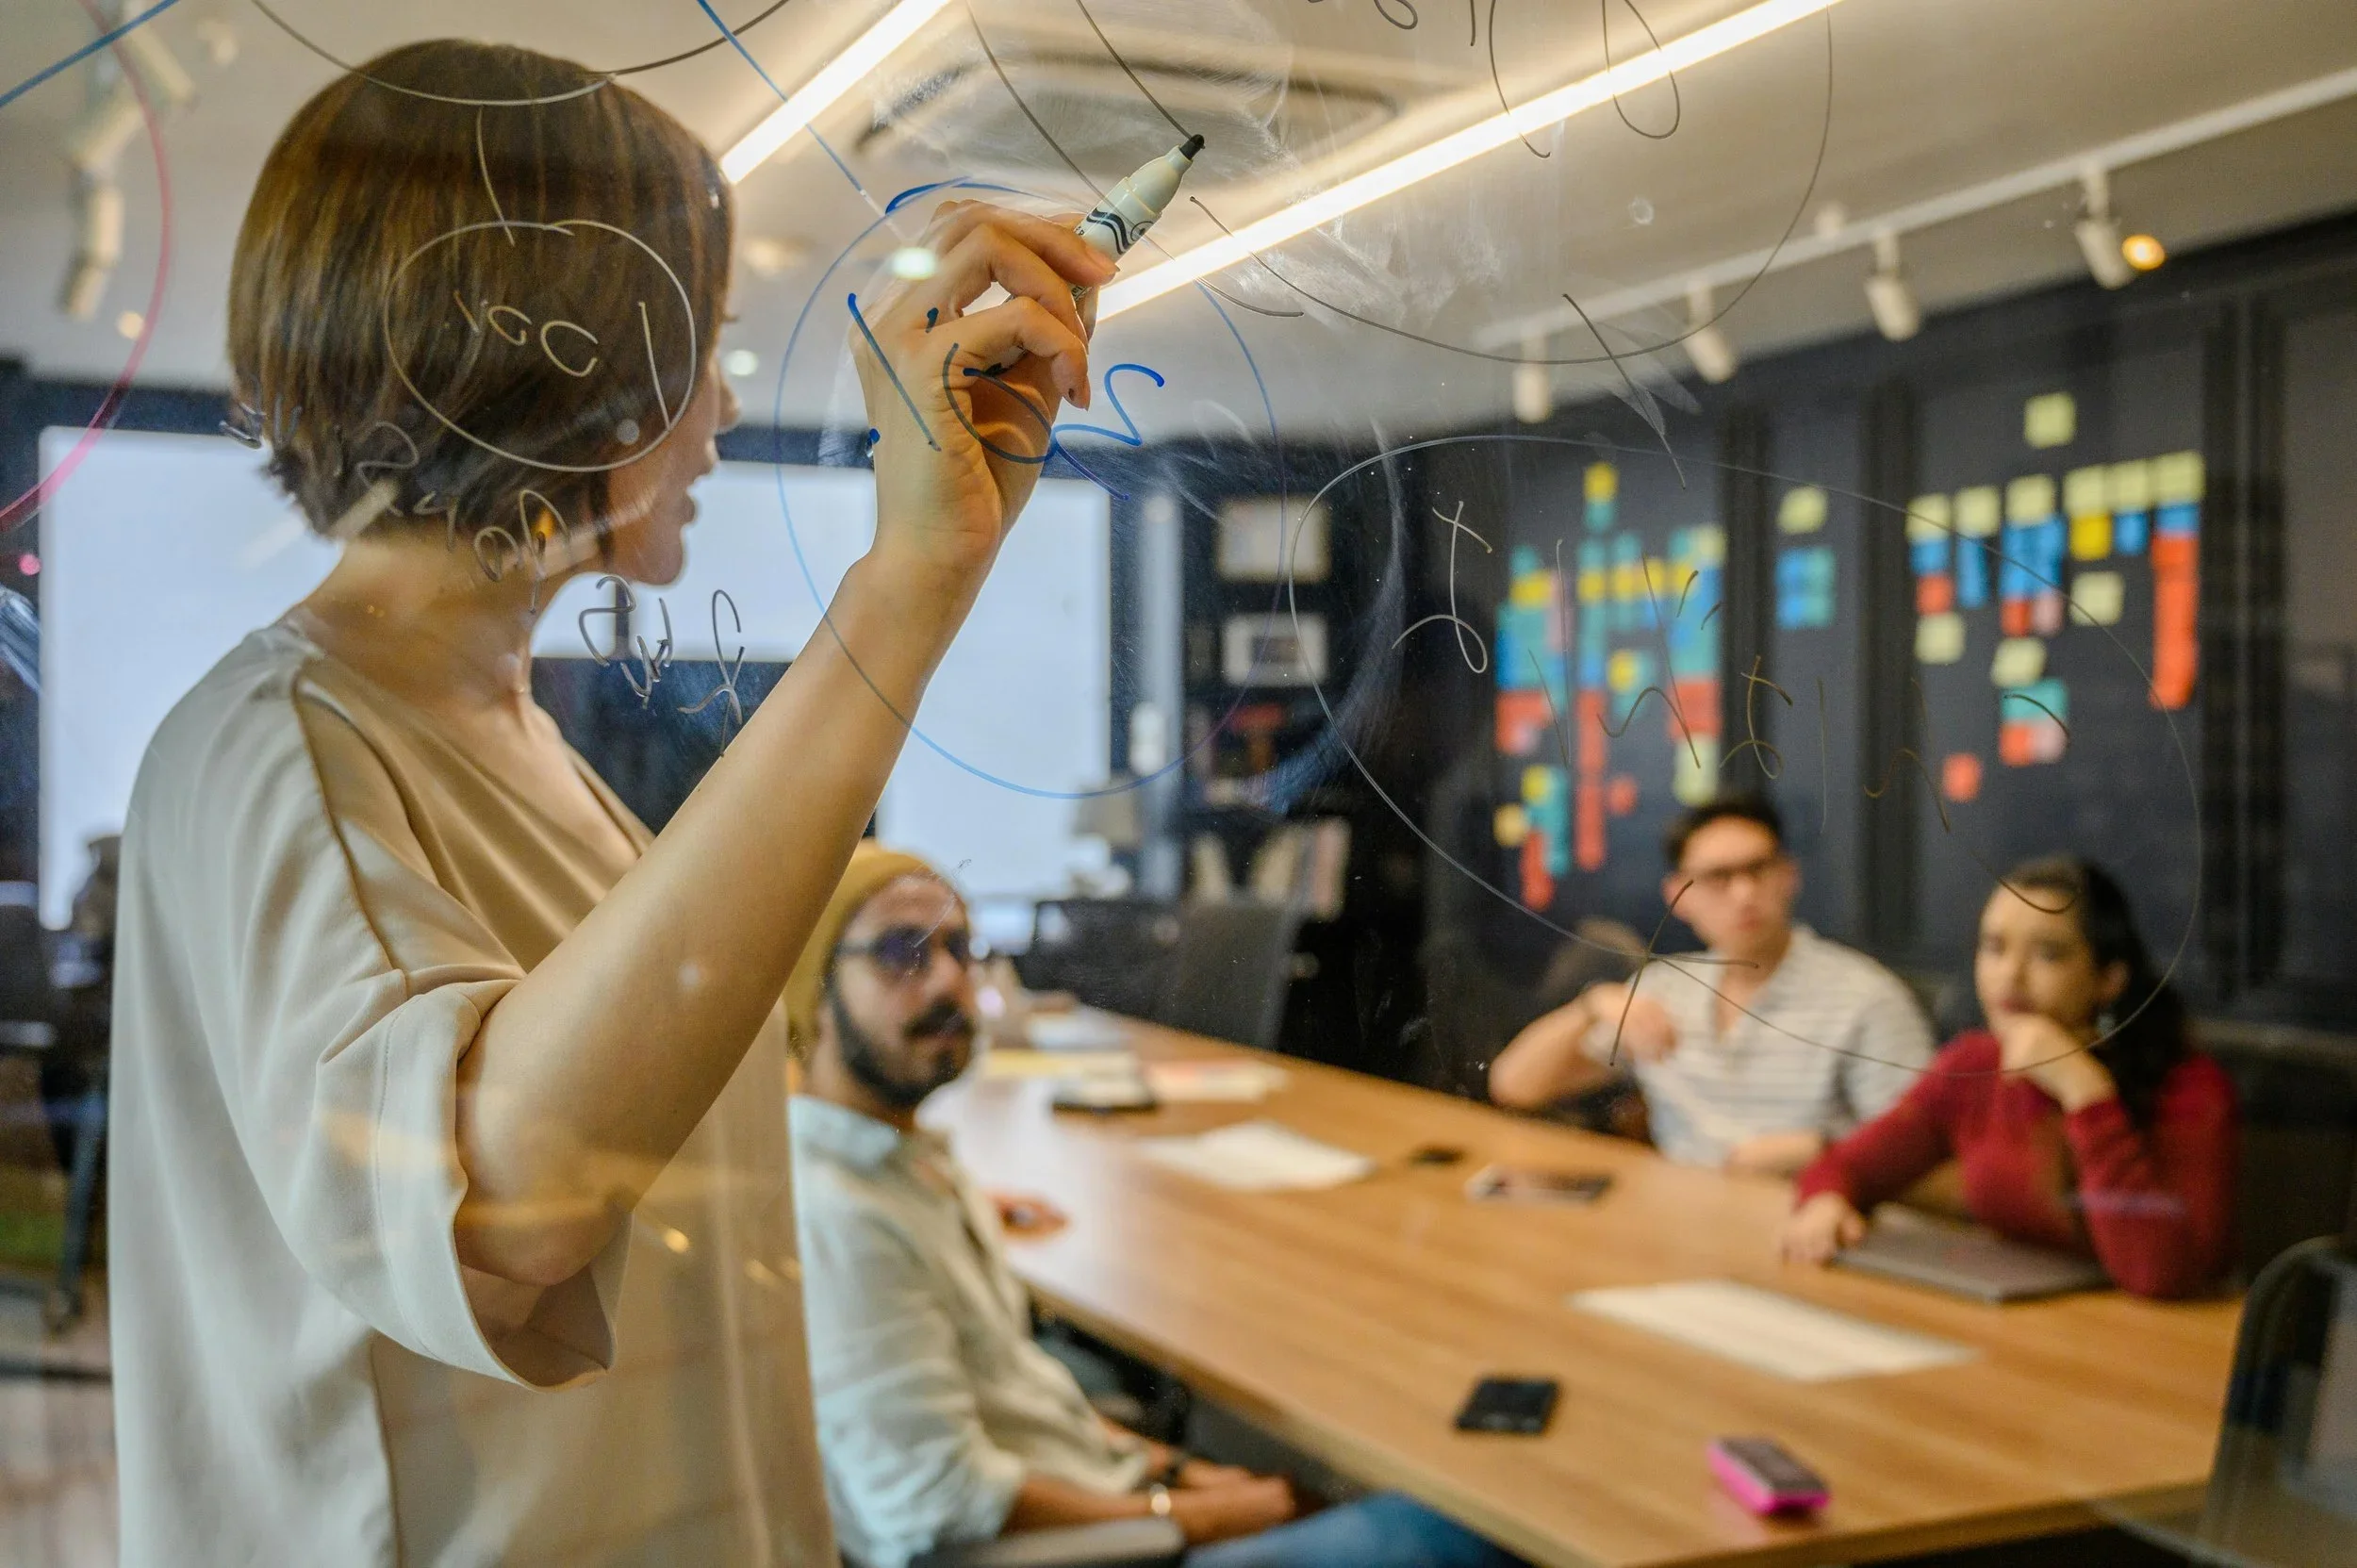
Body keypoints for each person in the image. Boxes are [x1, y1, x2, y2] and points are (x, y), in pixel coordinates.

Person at [107, 39, 1110, 1566]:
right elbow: (503, 1214)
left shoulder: (509, 743)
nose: (715, 405)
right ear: (562, 360)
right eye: (696, 345)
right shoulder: (282, 742)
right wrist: (906, 589)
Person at [789, 844, 1524, 1568]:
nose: (950, 980)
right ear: (811, 988)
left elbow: (1028, 1404)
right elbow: (939, 1510)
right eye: (901, 951)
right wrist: (1199, 1513)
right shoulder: (845, 1218)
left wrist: (1177, 1472)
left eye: (959, 946)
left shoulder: (899, 1164)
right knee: (1462, 1533)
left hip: (1094, 1488)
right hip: (1085, 1549)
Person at [1782, 857, 2237, 1300]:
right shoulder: (1973, 1066)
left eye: (2047, 954)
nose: (2010, 976)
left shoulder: (2190, 1088)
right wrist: (1827, 1201)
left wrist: (2084, 1090)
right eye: (1995, 948)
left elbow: (2159, 1273)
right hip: (2019, 1322)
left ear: (2109, 979)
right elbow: (1843, 1168)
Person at [1488, 794, 1934, 1175]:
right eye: (1718, 878)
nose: (1743, 894)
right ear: (1678, 895)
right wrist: (1593, 1005)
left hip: (1809, 1227)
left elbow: (1931, 1155)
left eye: (1758, 869)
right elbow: (1516, 1086)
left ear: (1788, 876)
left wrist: (1825, 1151)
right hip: (1679, 1226)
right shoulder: (1666, 987)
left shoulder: (1865, 998)